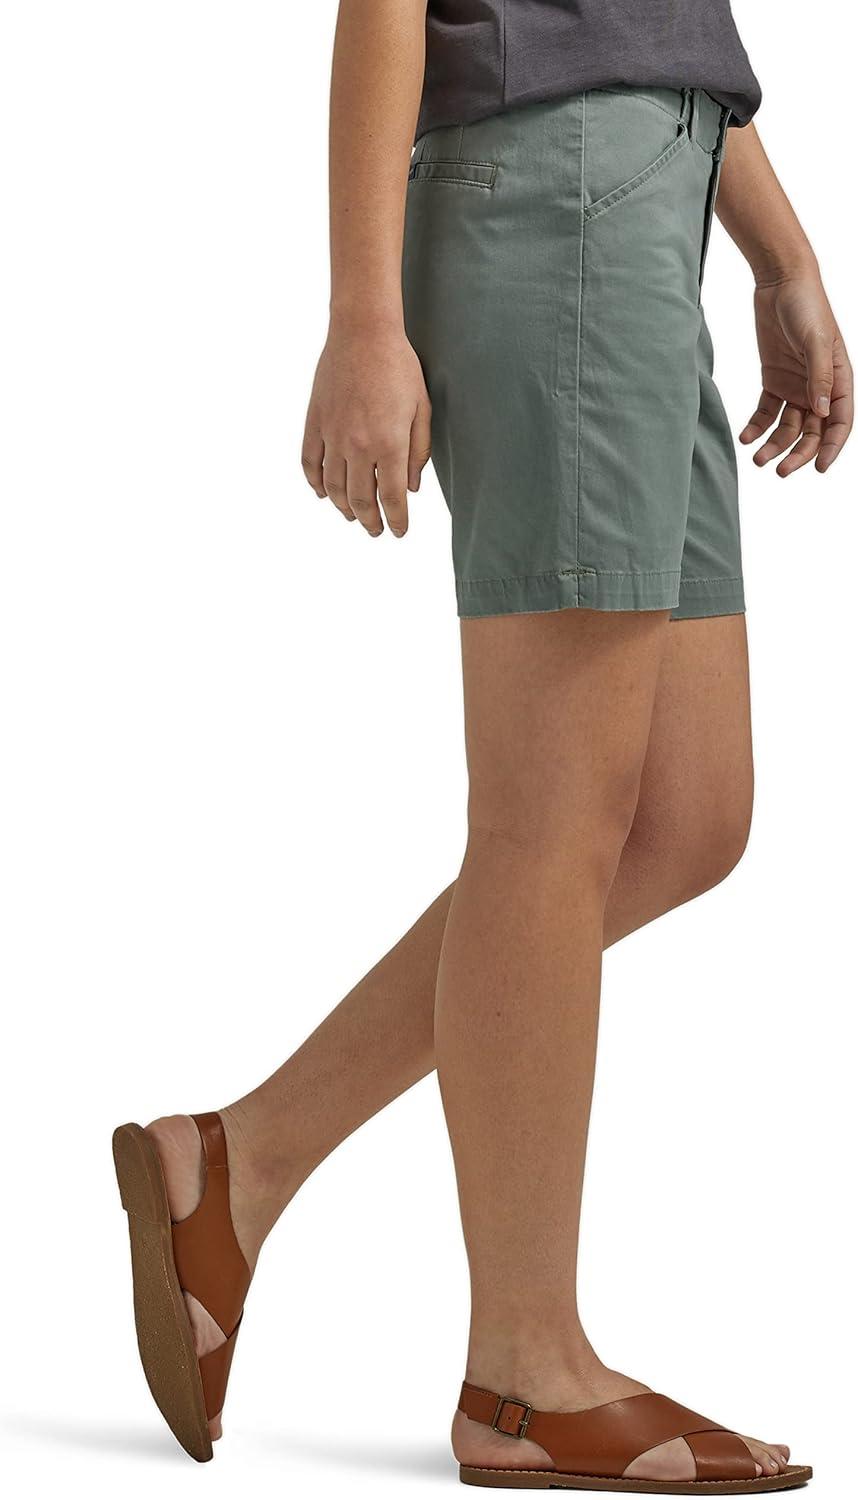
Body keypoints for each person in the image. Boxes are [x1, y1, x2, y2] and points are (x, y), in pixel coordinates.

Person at [114, 1, 851, 1489]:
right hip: (563, 213)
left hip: (655, 203)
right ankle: (522, 1373)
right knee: (551, 821)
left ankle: (239, 1161)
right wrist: (361, 314)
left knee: (688, 816)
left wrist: (779, 254)